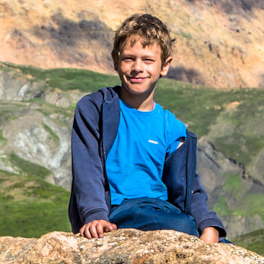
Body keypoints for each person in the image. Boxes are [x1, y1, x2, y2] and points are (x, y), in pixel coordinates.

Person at [67, 13, 227, 243]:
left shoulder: (172, 128)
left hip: (163, 212)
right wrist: (94, 216)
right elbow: (87, 169)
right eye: (129, 58)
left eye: (148, 60)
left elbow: (189, 187)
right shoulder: (95, 109)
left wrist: (209, 225)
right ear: (115, 60)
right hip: (117, 211)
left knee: (215, 240)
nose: (137, 68)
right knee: (180, 227)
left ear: (165, 65)